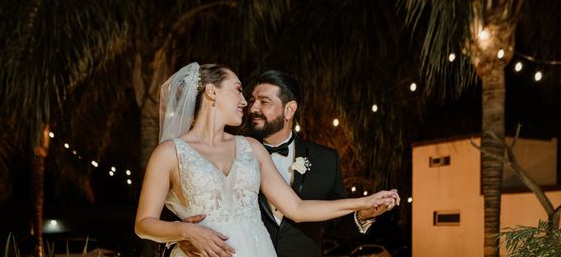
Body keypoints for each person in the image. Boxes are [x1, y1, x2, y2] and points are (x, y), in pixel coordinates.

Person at [135, 63, 400, 257]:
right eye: (239, 92)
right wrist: (184, 231)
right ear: (212, 92)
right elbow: (143, 224)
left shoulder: (251, 148)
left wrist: (364, 202)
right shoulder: (169, 152)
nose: (245, 103)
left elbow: (297, 208)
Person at [248, 70, 378, 256]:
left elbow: (337, 224)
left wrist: (363, 215)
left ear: (289, 109)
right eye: (252, 101)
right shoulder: (239, 153)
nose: (253, 108)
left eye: (264, 101)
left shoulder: (325, 159)